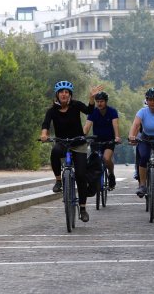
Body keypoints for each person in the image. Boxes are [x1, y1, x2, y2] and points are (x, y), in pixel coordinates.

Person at [41, 81, 103, 222]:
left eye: (67, 92)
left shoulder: (75, 105)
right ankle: (58, 181)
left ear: (70, 95)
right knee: (55, 152)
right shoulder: (52, 110)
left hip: (78, 143)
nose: (64, 94)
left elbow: (89, 111)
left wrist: (92, 98)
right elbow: (46, 123)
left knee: (81, 175)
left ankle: (82, 208)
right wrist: (44, 134)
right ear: (57, 95)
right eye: (61, 92)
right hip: (62, 142)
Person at [83, 91, 121, 190]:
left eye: (102, 101)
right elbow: (87, 127)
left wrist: (117, 137)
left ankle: (111, 174)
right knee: (93, 162)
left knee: (106, 159)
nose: (99, 103)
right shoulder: (93, 112)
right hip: (96, 140)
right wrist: (82, 136)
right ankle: (93, 182)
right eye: (97, 101)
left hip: (109, 141)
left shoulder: (112, 111)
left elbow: (115, 125)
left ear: (106, 102)